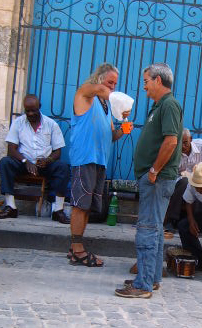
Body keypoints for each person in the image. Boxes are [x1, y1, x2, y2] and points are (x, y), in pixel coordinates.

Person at [115, 63, 183, 299]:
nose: (144, 86)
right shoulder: (159, 106)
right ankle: (151, 279)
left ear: (158, 80)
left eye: (146, 81)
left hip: (157, 179)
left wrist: (153, 171)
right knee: (153, 230)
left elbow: (171, 142)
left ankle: (142, 285)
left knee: (146, 230)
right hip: (155, 179)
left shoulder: (170, 105)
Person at [68, 63, 130, 267]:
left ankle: (75, 247)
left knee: (86, 207)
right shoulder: (85, 93)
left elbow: (111, 136)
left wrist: (123, 129)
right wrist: (118, 99)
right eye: (110, 82)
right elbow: (98, 89)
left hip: (100, 160)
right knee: (79, 205)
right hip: (84, 158)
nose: (112, 87)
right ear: (99, 79)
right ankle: (78, 250)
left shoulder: (106, 108)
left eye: (115, 84)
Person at [0, 95, 70, 223]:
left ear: (39, 108)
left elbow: (58, 152)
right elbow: (11, 149)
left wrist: (47, 160)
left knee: (63, 167)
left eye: (34, 110)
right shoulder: (18, 123)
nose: (31, 113)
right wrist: (25, 162)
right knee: (5, 162)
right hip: (23, 164)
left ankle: (58, 210)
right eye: (28, 111)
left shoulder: (51, 124)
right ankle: (11, 207)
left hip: (44, 165)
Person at [164, 128, 202, 232]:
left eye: (185, 142)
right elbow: (172, 173)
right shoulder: (174, 151)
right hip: (180, 182)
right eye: (180, 143)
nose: (183, 146)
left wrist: (201, 171)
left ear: (191, 139)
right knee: (185, 182)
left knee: (201, 184)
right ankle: (172, 219)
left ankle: (200, 221)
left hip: (200, 179)